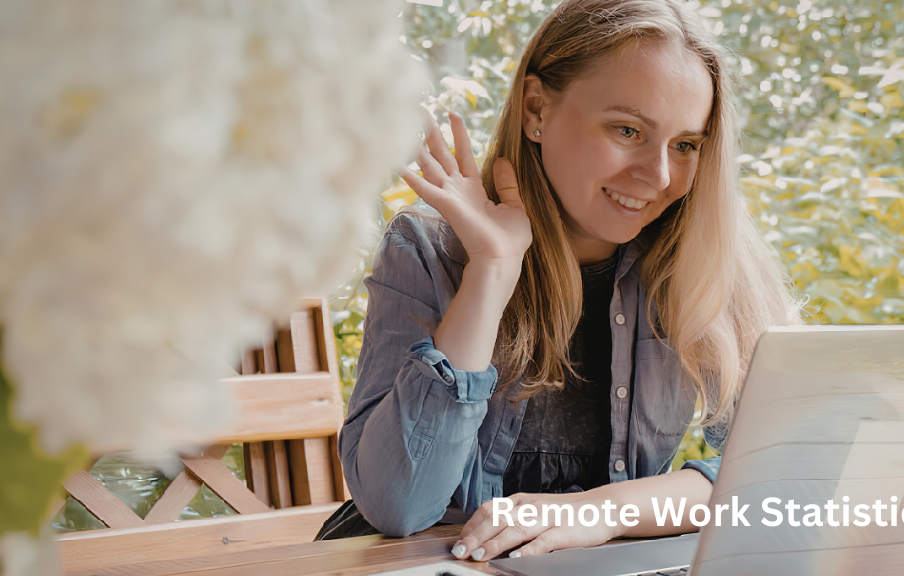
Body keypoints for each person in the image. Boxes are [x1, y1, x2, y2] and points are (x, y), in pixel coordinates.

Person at [324, 0, 796, 561]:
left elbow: (784, 472)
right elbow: (397, 506)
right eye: (627, 129)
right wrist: (492, 270)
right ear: (535, 109)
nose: (660, 175)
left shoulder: (704, 254)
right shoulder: (430, 248)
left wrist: (597, 514)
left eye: (685, 146)